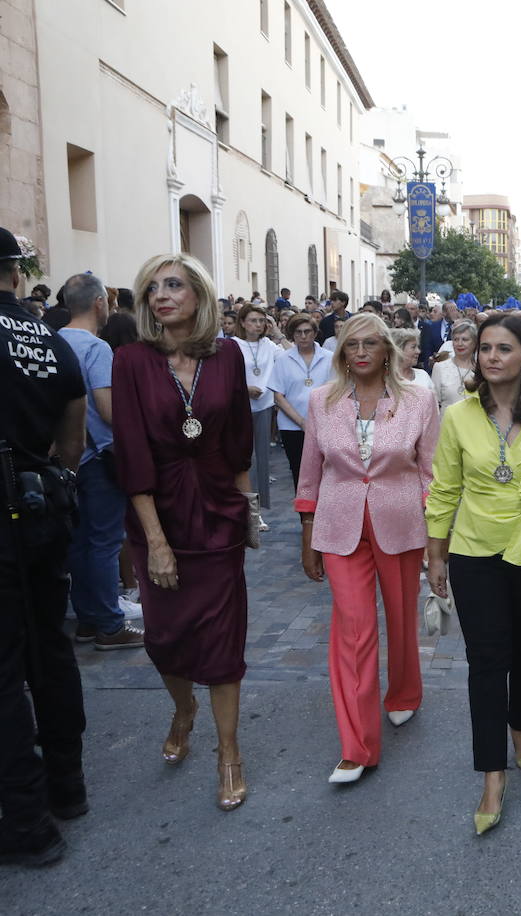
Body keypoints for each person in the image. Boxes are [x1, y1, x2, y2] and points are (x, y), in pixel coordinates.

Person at [111, 252, 259, 811]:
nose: (161, 296)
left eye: (173, 285)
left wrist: (247, 510)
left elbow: (238, 439)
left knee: (223, 641)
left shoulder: (227, 356)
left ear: (198, 294)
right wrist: (155, 543)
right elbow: (132, 452)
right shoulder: (129, 360)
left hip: (218, 509)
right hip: (160, 511)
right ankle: (183, 709)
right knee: (164, 640)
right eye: (152, 288)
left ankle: (229, 753)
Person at [424, 314, 521, 835]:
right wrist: (436, 554)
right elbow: (444, 489)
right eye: (484, 347)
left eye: (504, 348)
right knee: (486, 661)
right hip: (475, 550)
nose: (490, 356)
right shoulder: (459, 417)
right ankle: (491, 773)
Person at [295, 314, 439, 784]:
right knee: (354, 628)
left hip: (399, 522)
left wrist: (438, 534)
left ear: (386, 351)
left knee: (400, 615)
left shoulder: (418, 399)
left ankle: (403, 693)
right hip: (339, 526)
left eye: (370, 343)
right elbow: (311, 469)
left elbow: (429, 471)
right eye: (351, 344)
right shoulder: (321, 400)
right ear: (340, 352)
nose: (360, 352)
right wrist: (307, 531)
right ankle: (357, 746)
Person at [0, 227, 88, 866]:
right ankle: (68, 786)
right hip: (42, 505)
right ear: (13, 271)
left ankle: (26, 821)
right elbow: (74, 438)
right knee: (51, 650)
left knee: (5, 671)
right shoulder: (48, 339)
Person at [55, 273, 144, 651]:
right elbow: (108, 410)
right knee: (105, 540)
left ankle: (88, 620)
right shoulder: (97, 348)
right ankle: (110, 623)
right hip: (99, 457)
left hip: (66, 458)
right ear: (98, 304)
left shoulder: (53, 342)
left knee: (79, 542)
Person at [269, 314, 335, 489]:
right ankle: (305, 515)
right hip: (292, 426)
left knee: (327, 471)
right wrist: (302, 422)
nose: (303, 336)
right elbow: (278, 396)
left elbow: (335, 391)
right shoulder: (283, 359)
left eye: (307, 331)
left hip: (325, 424)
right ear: (292, 334)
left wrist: (317, 420)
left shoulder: (330, 358)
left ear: (315, 333)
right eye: (298, 332)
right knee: (299, 472)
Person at [235, 303, 279, 519]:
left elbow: (291, 355)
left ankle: (259, 509)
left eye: (262, 321)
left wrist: (278, 332)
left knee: (262, 458)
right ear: (242, 322)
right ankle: (247, 509)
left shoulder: (269, 344)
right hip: (239, 407)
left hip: (264, 405)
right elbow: (225, 377)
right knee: (245, 458)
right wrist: (244, 388)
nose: (258, 325)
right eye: (253, 320)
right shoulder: (232, 345)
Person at [432, 320, 478, 413]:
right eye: (456, 339)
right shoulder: (439, 368)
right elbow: (434, 404)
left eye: (465, 339)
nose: (459, 344)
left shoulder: (481, 370)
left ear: (475, 343)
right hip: (447, 424)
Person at [388, 328, 434, 397]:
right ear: (399, 349)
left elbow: (433, 404)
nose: (418, 351)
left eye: (418, 347)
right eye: (413, 347)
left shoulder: (423, 376)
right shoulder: (386, 379)